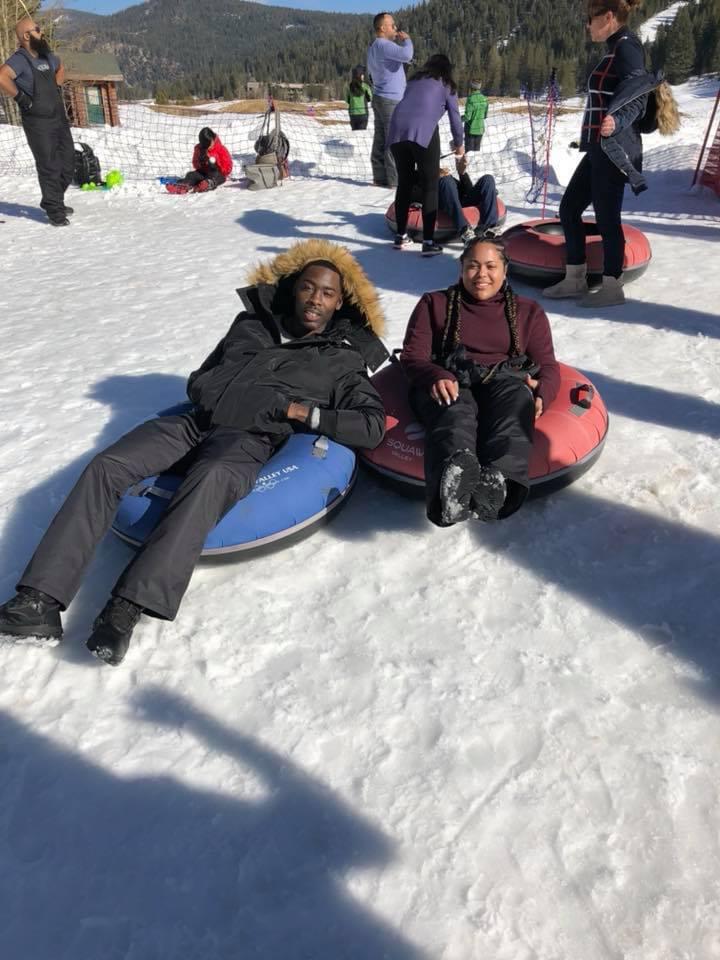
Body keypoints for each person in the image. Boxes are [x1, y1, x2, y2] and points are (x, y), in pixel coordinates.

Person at [0, 240, 388, 666]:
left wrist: (296, 410)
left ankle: (124, 610)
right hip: (194, 422)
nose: (315, 299)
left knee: (212, 477)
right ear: (293, 288)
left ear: (339, 303)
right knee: (107, 466)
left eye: (327, 293)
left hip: (249, 438)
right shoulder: (250, 325)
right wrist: (209, 391)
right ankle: (38, 601)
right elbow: (201, 377)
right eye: (308, 287)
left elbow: (370, 424)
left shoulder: (340, 360)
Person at [400, 235, 560, 527]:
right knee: (454, 412)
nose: (481, 275)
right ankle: (453, 486)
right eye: (473, 266)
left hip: (504, 378)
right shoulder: (434, 304)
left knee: (514, 410)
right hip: (451, 377)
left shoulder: (529, 312)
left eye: (490, 266)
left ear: (505, 270)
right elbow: (413, 356)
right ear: (461, 268)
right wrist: (436, 374)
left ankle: (498, 485)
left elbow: (547, 363)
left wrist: (543, 393)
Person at [543, 0, 647, 308]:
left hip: (614, 150)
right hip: (598, 149)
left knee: (606, 217)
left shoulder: (628, 47)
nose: (588, 25)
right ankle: (575, 279)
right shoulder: (615, 49)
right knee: (570, 208)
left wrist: (618, 120)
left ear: (609, 17)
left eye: (591, 19)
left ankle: (612, 286)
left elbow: (640, 94)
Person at [0, 17, 74, 226]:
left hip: (58, 117)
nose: (42, 33)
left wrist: (57, 87)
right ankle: (55, 210)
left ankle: (52, 200)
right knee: (49, 164)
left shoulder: (47, 56)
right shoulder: (20, 60)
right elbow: (2, 77)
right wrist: (22, 98)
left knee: (67, 162)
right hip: (38, 122)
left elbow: (60, 67)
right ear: (26, 35)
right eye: (38, 29)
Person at [388, 54, 464, 256]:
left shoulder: (414, 80)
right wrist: (459, 145)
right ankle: (429, 242)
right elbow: (455, 118)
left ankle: (400, 235)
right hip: (423, 131)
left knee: (404, 182)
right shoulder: (447, 84)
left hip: (396, 131)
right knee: (431, 185)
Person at [367, 12, 413, 188]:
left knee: (380, 139)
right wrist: (407, 40)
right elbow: (407, 55)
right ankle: (395, 181)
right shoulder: (384, 45)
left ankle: (380, 177)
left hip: (379, 97)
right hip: (390, 99)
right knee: (393, 140)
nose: (395, 28)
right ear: (382, 28)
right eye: (392, 25)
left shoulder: (373, 47)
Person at [437, 154, 499, 244]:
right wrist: (434, 178)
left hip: (462, 202)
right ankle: (464, 231)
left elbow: (467, 192)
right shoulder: (420, 177)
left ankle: (491, 228)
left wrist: (462, 174)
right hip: (446, 205)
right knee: (446, 181)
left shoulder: (446, 176)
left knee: (488, 179)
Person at [165, 127, 233, 194]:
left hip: (217, 174)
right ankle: (184, 186)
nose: (208, 147)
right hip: (203, 173)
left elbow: (228, 168)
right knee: (190, 175)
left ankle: (208, 184)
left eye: (210, 144)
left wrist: (216, 165)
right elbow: (195, 164)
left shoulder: (221, 149)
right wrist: (201, 162)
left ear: (213, 139)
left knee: (217, 176)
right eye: (206, 146)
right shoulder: (199, 148)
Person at [462, 80, 488, 152]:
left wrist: (459, 119)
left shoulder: (470, 99)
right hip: (480, 129)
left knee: (469, 153)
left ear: (471, 88)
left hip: (470, 129)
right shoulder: (484, 99)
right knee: (476, 153)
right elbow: (485, 115)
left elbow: (467, 117)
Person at [346, 65, 372, 130]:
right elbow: (369, 99)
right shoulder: (366, 87)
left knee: (354, 134)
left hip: (353, 113)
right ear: (361, 76)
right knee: (361, 134)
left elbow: (347, 100)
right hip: (363, 113)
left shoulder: (349, 87)